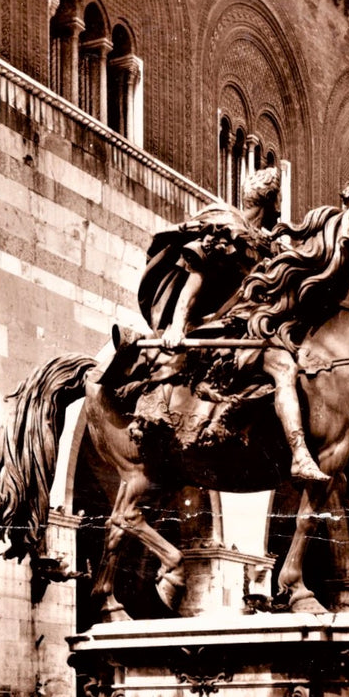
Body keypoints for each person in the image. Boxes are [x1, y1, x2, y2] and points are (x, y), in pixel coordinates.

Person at [108, 167, 327, 482]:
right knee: (283, 367)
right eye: (278, 201)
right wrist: (176, 328)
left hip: (257, 333)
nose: (279, 209)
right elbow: (194, 282)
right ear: (271, 201)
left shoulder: (270, 245)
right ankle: (300, 455)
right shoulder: (226, 230)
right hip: (221, 333)